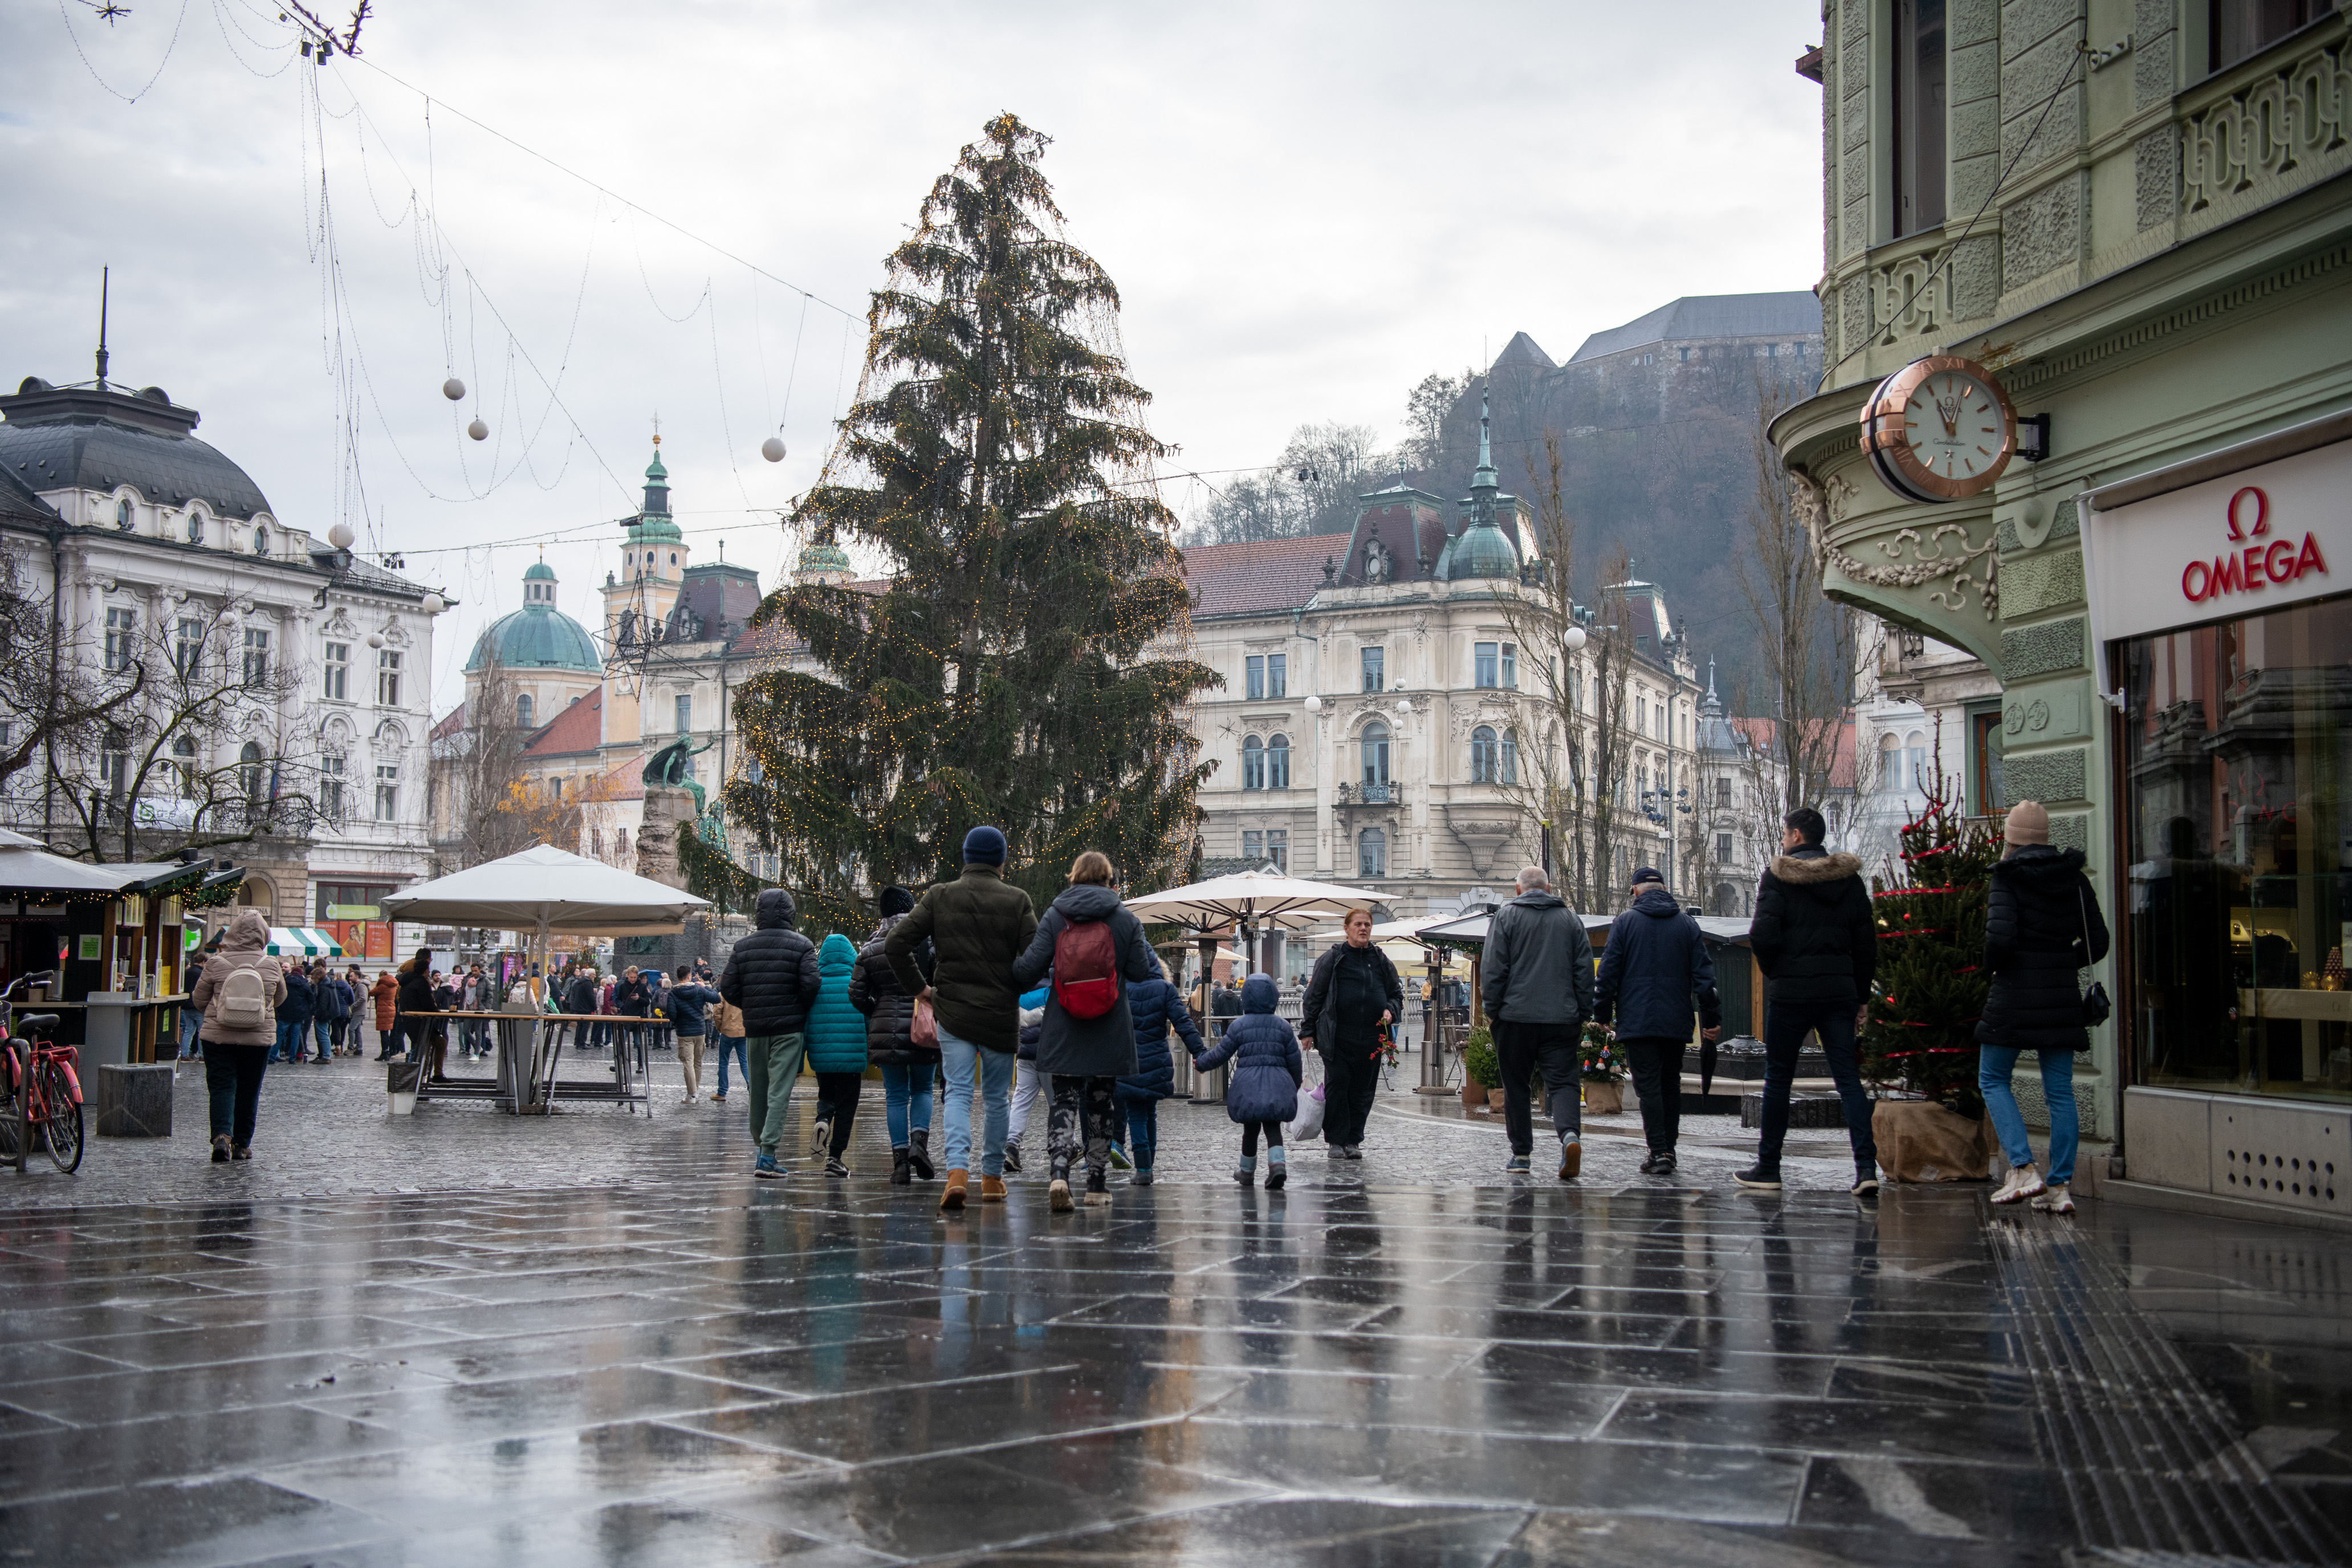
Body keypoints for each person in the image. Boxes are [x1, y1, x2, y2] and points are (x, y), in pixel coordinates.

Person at [886, 825, 1038, 1212]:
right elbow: (1036, 960)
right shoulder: (1017, 900)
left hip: (952, 1010)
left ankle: (956, 1174)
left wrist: (921, 989)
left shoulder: (941, 895)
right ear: (1002, 859)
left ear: (967, 857)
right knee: (996, 1099)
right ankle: (990, 1178)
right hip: (1000, 1015)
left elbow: (896, 942)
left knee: (956, 1092)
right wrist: (1013, 983)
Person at [1981, 801, 2109, 1215]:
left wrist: (1997, 967)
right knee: (2060, 1092)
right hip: (2060, 997)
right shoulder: (2072, 878)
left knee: (1993, 1077)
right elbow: (2099, 940)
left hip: (2014, 994)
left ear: (2012, 837)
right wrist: (2061, 961)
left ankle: (2022, 1167)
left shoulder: (2007, 876)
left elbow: (1999, 942)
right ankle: (2060, 1188)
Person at [1012, 850, 1159, 1211]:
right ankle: (1096, 1183)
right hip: (1109, 1026)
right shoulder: (1125, 920)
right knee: (1101, 1103)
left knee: (1062, 1100)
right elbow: (1142, 972)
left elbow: (1029, 969)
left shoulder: (1055, 916)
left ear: (1073, 878)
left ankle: (1059, 1173)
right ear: (1110, 881)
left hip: (1064, 1025)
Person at [1745, 806, 1880, 1195]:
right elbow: (1865, 943)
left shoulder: (1778, 877)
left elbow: (1763, 936)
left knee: (1778, 1081)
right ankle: (1866, 1168)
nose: (1783, 840)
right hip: (1838, 992)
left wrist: (1777, 972)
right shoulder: (1850, 881)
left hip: (1791, 993)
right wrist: (1860, 994)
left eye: (1786, 834)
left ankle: (1769, 1168)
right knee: (1848, 1080)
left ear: (1798, 836)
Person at [1594, 866, 1721, 1179]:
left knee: (1648, 1087)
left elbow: (1607, 974)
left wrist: (1602, 1015)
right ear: (1665, 890)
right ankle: (1669, 1150)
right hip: (1676, 1019)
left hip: (1637, 1020)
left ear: (1636, 891)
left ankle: (1659, 1151)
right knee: (1670, 1084)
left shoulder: (1624, 924)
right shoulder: (1687, 925)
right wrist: (1711, 1019)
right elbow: (1705, 978)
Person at [1483, 864, 1598, 1179]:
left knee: (1516, 1086)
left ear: (1518, 889)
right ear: (1549, 889)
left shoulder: (1505, 917)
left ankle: (1521, 1155)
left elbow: (1494, 969)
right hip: (1561, 1018)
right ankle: (1570, 1136)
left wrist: (1492, 1011)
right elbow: (1584, 972)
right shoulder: (1570, 920)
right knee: (1563, 1082)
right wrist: (1582, 1012)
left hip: (1514, 1018)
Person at [719, 888, 820, 1179]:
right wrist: (796, 1006)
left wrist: (751, 1005)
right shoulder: (803, 945)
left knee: (759, 1092)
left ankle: (761, 1151)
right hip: (789, 1029)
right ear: (790, 912)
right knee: (779, 1092)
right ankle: (767, 1154)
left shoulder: (743, 947)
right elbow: (812, 985)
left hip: (756, 1029)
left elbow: (728, 988)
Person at [849, 885, 936, 1184]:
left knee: (896, 1095)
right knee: (923, 1089)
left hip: (885, 1031)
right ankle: (919, 1145)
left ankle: (900, 1164)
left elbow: (856, 994)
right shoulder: (926, 944)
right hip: (924, 1028)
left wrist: (877, 1011)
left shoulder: (869, 948)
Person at [1300, 907, 1403, 1159]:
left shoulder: (1380, 960)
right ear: (1347, 929)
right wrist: (1308, 1030)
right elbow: (1313, 997)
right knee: (1338, 1087)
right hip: (1337, 1038)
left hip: (1371, 1039)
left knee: (1363, 1091)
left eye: (1367, 924)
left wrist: (1391, 1010)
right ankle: (1336, 1140)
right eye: (1358, 924)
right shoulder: (1333, 959)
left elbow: (1396, 995)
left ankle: (1354, 1140)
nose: (1363, 929)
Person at [189, 908, 286, 1162]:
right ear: (264, 935)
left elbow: (199, 1000)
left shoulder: (216, 962)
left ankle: (221, 1137)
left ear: (231, 933)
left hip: (218, 1037)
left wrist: (219, 1009)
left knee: (221, 1087)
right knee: (249, 1089)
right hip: (258, 1038)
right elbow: (281, 998)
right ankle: (242, 1145)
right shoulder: (271, 964)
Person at [1191, 973, 1304, 1188]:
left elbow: (1221, 1053)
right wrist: (1294, 1085)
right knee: (1273, 1128)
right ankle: (1278, 1166)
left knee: (1250, 1131)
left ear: (1246, 998)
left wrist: (1202, 1064)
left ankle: (1246, 1171)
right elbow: (1295, 1061)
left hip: (1248, 1085)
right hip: (1277, 1084)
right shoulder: (1283, 1027)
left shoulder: (1239, 1026)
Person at [1117, 954, 1202, 1186]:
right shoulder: (1165, 989)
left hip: (1128, 1061)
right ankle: (1149, 1166)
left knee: (1135, 1114)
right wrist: (1200, 1053)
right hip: (1156, 1060)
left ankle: (1143, 1168)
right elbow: (1184, 1023)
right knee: (1150, 1113)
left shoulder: (1121, 987)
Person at [804, 931, 869, 1176]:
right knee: (847, 1107)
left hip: (822, 1057)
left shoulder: (815, 985)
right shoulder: (857, 984)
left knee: (827, 1094)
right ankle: (835, 1158)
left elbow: (807, 1023)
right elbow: (868, 1020)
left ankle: (822, 1118)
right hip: (851, 1056)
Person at [664, 967, 721, 1105]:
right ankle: (696, 1091)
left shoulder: (673, 993)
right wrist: (705, 987)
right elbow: (716, 998)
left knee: (688, 1063)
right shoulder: (699, 989)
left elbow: (672, 1014)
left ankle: (692, 1094)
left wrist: (679, 1021)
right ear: (689, 976)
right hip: (700, 1031)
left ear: (678, 977)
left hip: (684, 1032)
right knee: (697, 1063)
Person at [1007, 984, 1046, 1172]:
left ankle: (1011, 1146)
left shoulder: (1024, 987)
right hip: (1050, 1054)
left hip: (1025, 1052)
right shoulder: (1054, 986)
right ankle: (1066, 1147)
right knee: (1059, 1102)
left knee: (1021, 1099)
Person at [396, 948, 441, 1074]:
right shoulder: (420, 981)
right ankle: (416, 1075)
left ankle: (416, 1074)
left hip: (409, 1016)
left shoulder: (406, 977)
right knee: (421, 1046)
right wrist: (436, 1011)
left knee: (417, 1046)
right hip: (419, 1019)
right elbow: (427, 1002)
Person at [273, 958, 314, 1065]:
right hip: (299, 1015)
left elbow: (279, 996)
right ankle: (292, 1058)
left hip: (285, 1014)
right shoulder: (305, 985)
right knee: (295, 1036)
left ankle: (272, 1057)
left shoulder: (285, 982)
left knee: (279, 1036)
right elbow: (311, 999)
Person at [709, 992, 746, 1103]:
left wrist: (720, 1027)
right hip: (743, 1031)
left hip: (727, 1031)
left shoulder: (724, 994)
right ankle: (752, 1090)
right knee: (745, 1062)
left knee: (724, 1063)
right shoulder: (744, 993)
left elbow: (716, 1013)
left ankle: (722, 1092)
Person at [613, 966, 652, 1061]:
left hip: (638, 1017)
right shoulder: (623, 986)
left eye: (635, 977)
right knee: (622, 1041)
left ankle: (640, 1064)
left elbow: (647, 1002)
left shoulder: (642, 987)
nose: (633, 980)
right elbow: (617, 1000)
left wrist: (639, 999)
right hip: (625, 1017)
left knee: (638, 1043)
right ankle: (620, 1061)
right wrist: (622, 1005)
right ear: (628, 976)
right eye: (631, 977)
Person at [177, 947, 209, 1060]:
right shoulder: (201, 974)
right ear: (204, 962)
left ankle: (185, 1055)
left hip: (186, 1005)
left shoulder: (187, 972)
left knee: (188, 1031)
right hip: (198, 1006)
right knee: (202, 1032)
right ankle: (202, 1055)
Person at [369, 968, 400, 1059]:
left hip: (384, 1010)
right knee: (391, 1031)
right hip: (392, 1008)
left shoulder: (383, 986)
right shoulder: (394, 984)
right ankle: (391, 1051)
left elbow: (371, 993)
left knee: (384, 1032)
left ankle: (384, 1053)